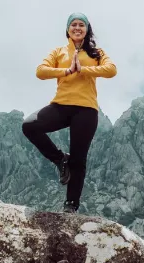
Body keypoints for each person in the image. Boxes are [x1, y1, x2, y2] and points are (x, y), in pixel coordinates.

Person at [22, 12, 117, 213]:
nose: (77, 28)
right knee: (29, 125)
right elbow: (40, 71)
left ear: (87, 29)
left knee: (79, 159)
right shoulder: (59, 51)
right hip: (61, 105)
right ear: (67, 29)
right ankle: (59, 159)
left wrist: (83, 70)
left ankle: (71, 205)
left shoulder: (96, 52)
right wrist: (66, 71)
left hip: (86, 109)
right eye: (73, 24)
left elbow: (111, 70)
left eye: (81, 25)